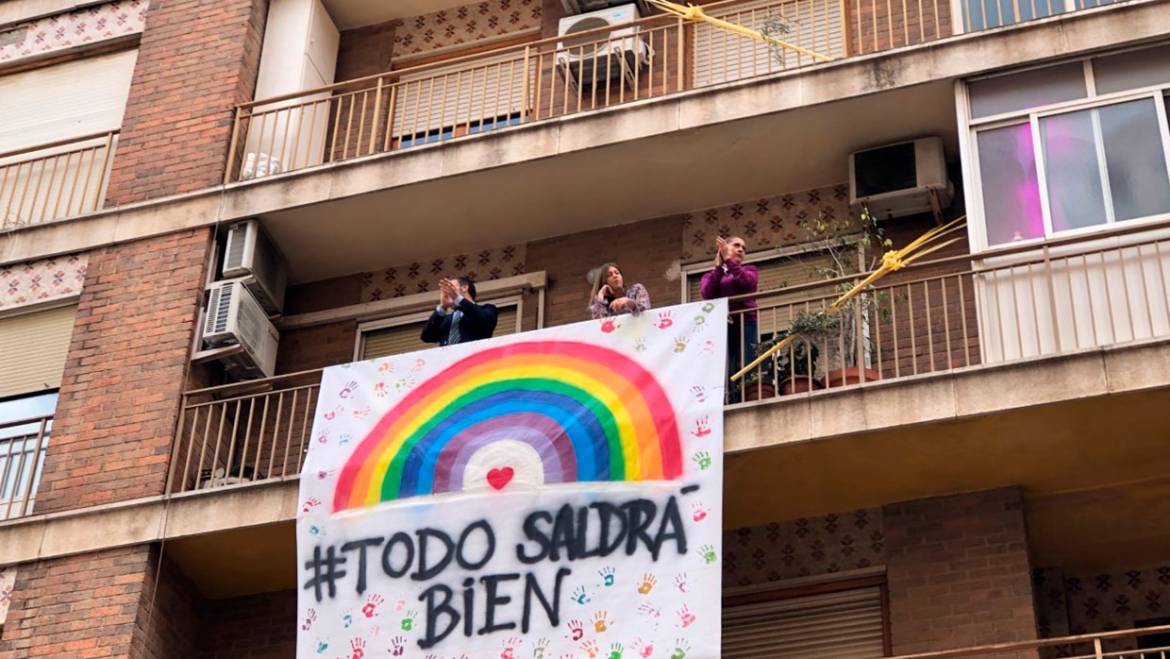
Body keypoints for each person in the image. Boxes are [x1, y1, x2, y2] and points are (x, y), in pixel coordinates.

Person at [699, 236, 759, 397]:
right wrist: (718, 269)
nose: (741, 250)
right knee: (725, 365)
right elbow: (707, 294)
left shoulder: (750, 270)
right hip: (722, 325)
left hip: (746, 322)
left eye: (744, 248)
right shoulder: (710, 276)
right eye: (736, 245)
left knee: (746, 362)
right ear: (724, 249)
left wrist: (729, 261)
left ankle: (748, 396)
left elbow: (746, 283)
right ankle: (728, 398)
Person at [420, 276, 498, 346]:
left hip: (475, 360)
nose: (448, 292)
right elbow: (427, 337)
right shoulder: (445, 319)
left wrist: (457, 298)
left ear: (464, 287)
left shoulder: (487, 309)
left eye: (451, 287)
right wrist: (442, 307)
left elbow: (484, 319)